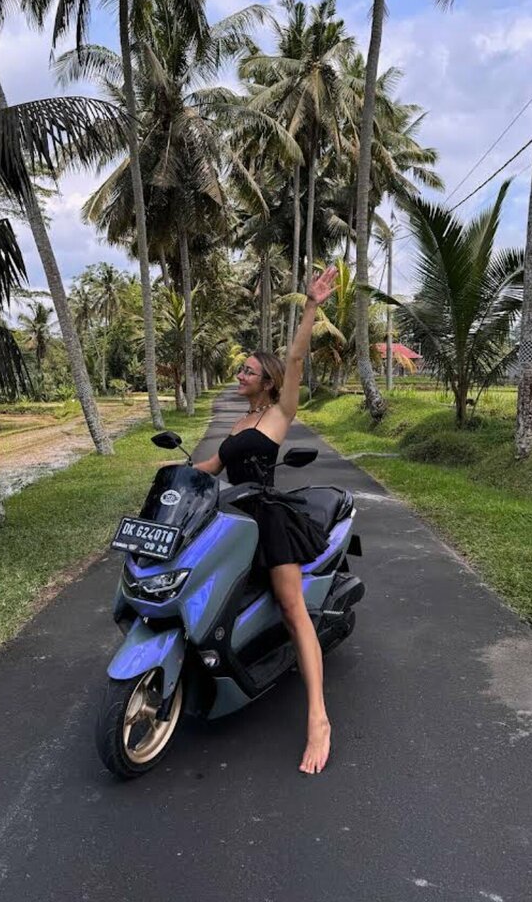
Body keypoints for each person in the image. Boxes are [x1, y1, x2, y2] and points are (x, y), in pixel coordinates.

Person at [194, 264, 338, 774]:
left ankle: (318, 718)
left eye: (248, 372)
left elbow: (297, 357)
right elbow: (209, 467)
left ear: (269, 381)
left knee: (290, 606)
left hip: (267, 515)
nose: (240, 377)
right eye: (240, 371)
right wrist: (172, 476)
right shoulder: (238, 421)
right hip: (231, 514)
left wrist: (312, 305)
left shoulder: (279, 413)